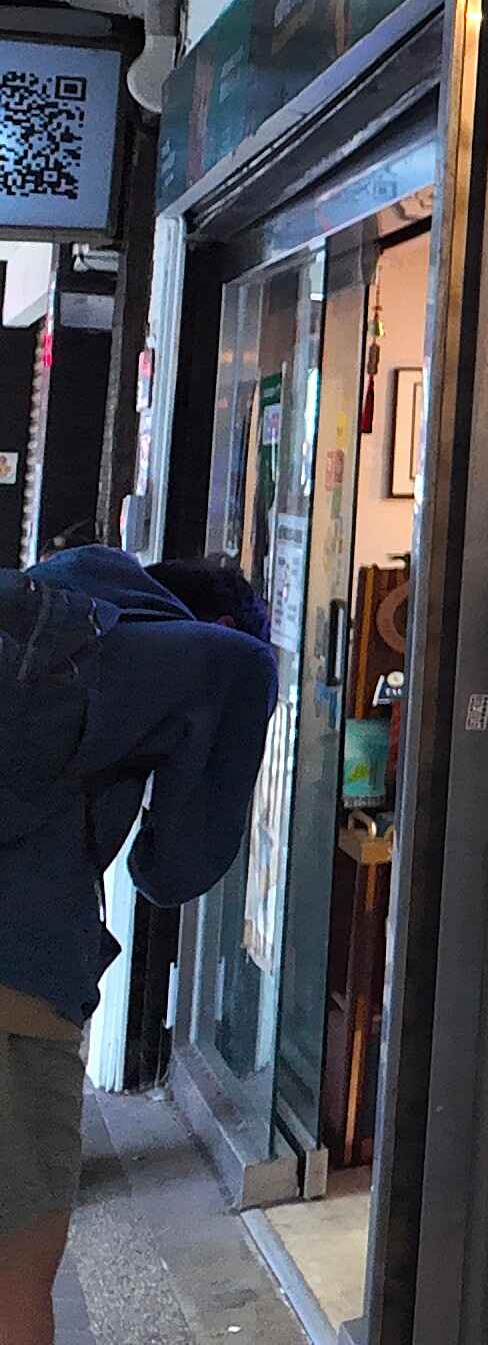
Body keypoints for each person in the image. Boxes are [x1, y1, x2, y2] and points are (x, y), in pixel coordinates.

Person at [0, 551, 275, 1345]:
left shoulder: (45, 612)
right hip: (16, 980)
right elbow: (171, 871)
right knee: (15, 1274)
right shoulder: (225, 660)